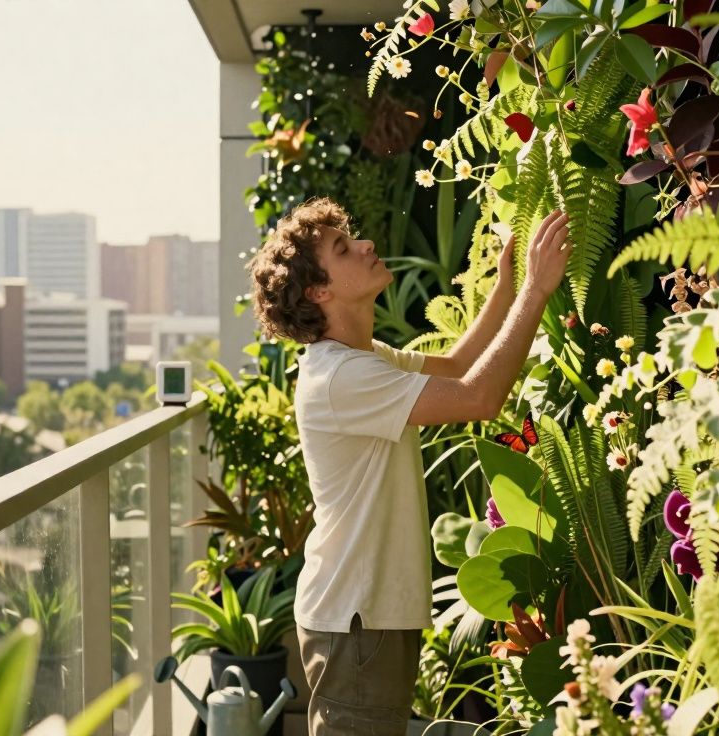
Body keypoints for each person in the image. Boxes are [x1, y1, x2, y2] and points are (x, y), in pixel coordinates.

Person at [245, 197, 572, 735]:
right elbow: (478, 397)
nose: (366, 244)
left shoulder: (361, 359)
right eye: (343, 248)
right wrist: (536, 290)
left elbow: (460, 364)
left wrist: (509, 285)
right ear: (318, 292)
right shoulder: (342, 378)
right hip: (356, 619)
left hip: (364, 615)